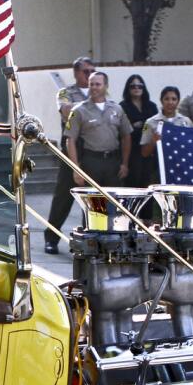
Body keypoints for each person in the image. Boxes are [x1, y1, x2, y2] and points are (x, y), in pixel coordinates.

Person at [45, 56, 95, 254]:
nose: (90, 75)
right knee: (62, 198)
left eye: (92, 71)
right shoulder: (66, 92)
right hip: (72, 147)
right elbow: (66, 112)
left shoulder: (99, 90)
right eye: (86, 71)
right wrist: (90, 109)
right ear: (76, 73)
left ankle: (85, 240)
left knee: (90, 198)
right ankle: (51, 238)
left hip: (92, 149)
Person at [64, 71, 132, 191]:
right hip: (91, 162)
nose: (94, 87)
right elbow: (70, 140)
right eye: (91, 84)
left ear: (106, 86)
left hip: (113, 162)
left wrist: (125, 164)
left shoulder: (117, 109)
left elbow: (126, 136)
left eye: (98, 84)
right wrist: (76, 169)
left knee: (113, 203)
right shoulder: (78, 110)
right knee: (94, 204)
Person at [142, 86, 193, 180]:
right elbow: (144, 153)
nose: (170, 102)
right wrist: (154, 141)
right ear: (161, 101)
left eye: (174, 99)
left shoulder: (186, 122)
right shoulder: (150, 122)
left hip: (181, 168)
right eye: (166, 99)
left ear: (178, 101)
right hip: (158, 168)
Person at [119, 74, 158, 187]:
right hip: (132, 151)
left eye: (140, 86)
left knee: (148, 183)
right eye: (133, 86)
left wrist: (139, 125)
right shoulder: (123, 106)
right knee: (133, 183)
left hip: (149, 150)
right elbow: (123, 130)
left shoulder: (151, 106)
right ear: (128, 88)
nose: (137, 88)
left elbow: (155, 124)